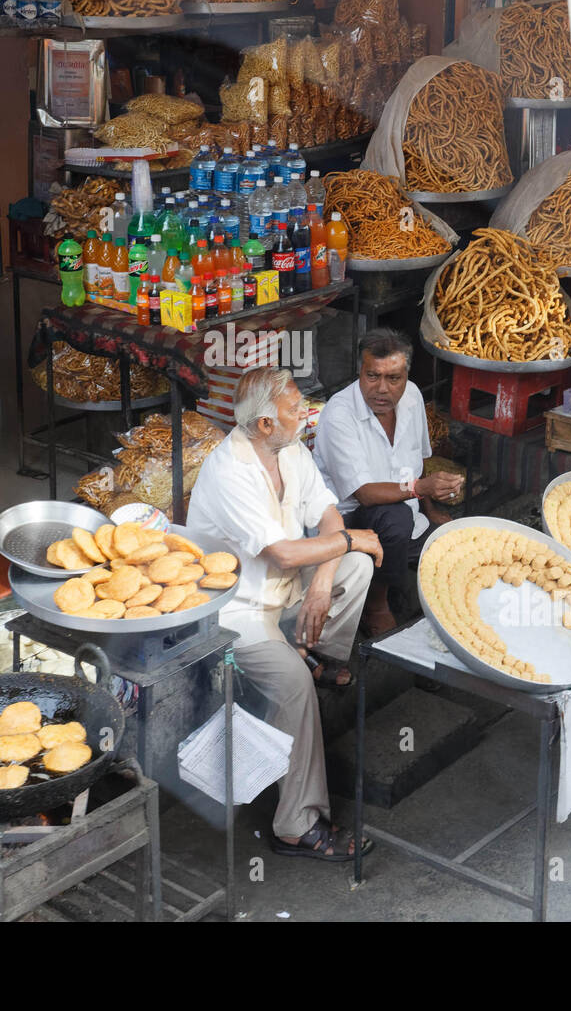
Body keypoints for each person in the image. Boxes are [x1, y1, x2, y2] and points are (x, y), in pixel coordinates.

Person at [187, 367, 383, 862]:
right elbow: (283, 554)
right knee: (294, 685)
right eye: (297, 410)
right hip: (236, 613)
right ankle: (294, 824)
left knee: (353, 568)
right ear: (266, 424)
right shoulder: (230, 470)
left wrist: (322, 579)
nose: (305, 415)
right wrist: (341, 545)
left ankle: (313, 651)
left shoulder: (288, 449)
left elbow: (329, 513)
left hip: (288, 592)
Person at [312, 327, 464, 636]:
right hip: (346, 517)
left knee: (454, 543)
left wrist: (430, 508)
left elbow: (415, 464)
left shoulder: (412, 399)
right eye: (372, 376)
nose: (382, 388)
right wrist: (421, 488)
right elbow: (365, 494)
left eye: (393, 378)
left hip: (401, 506)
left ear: (406, 375)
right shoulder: (339, 414)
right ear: (360, 371)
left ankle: (420, 606)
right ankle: (376, 605)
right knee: (395, 519)